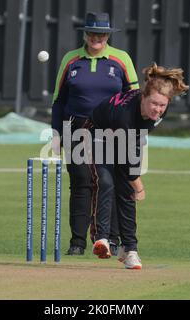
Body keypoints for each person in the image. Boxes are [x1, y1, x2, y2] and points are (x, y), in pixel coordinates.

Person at [51, 12, 140, 255]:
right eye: (91, 33)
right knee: (80, 182)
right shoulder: (71, 59)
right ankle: (77, 242)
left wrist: (132, 130)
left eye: (101, 34)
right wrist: (56, 133)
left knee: (108, 182)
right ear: (85, 34)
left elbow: (135, 97)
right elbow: (59, 100)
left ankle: (110, 239)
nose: (96, 38)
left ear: (108, 35)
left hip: (110, 129)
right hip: (75, 126)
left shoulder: (120, 59)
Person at [88, 63, 189, 269]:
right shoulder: (125, 115)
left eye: (162, 105)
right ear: (143, 97)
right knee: (107, 182)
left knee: (125, 192)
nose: (158, 110)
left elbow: (134, 144)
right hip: (94, 135)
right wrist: (139, 186)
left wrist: (132, 184)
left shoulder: (159, 112)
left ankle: (130, 250)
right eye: (154, 104)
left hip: (123, 139)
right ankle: (102, 239)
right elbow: (129, 160)